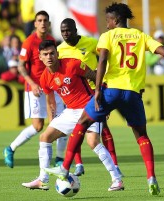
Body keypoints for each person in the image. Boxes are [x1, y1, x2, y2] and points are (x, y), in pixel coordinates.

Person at [44, 2, 164, 196]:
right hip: (133, 93)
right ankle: (151, 178)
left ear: (115, 20)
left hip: (111, 90)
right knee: (141, 136)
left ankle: (64, 168)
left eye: (108, 20)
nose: (106, 24)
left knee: (82, 122)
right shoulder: (141, 36)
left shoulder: (108, 36)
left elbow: (103, 60)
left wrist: (97, 90)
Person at [21, 40, 123, 191]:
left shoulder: (73, 64)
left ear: (57, 54)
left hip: (89, 108)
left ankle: (117, 180)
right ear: (40, 57)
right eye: (45, 54)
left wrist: (102, 103)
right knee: (45, 137)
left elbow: (96, 77)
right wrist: (52, 122)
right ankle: (43, 179)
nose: (49, 57)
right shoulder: (44, 77)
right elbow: (50, 103)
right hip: (70, 111)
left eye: (52, 53)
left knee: (92, 142)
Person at [57, 18, 123, 177]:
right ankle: (78, 163)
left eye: (68, 30)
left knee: (103, 128)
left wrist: (104, 81)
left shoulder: (91, 43)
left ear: (75, 30)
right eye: (63, 31)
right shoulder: (59, 49)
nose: (66, 33)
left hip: (94, 92)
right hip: (75, 94)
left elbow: (105, 59)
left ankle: (115, 164)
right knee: (76, 129)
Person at [3, 11, 66, 169]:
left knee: (58, 124)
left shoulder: (52, 40)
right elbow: (21, 66)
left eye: (45, 20)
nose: (43, 23)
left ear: (49, 24)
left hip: (52, 87)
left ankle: (59, 158)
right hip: (35, 89)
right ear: (35, 24)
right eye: (40, 20)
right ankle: (10, 148)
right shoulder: (28, 42)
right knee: (38, 126)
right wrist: (32, 83)